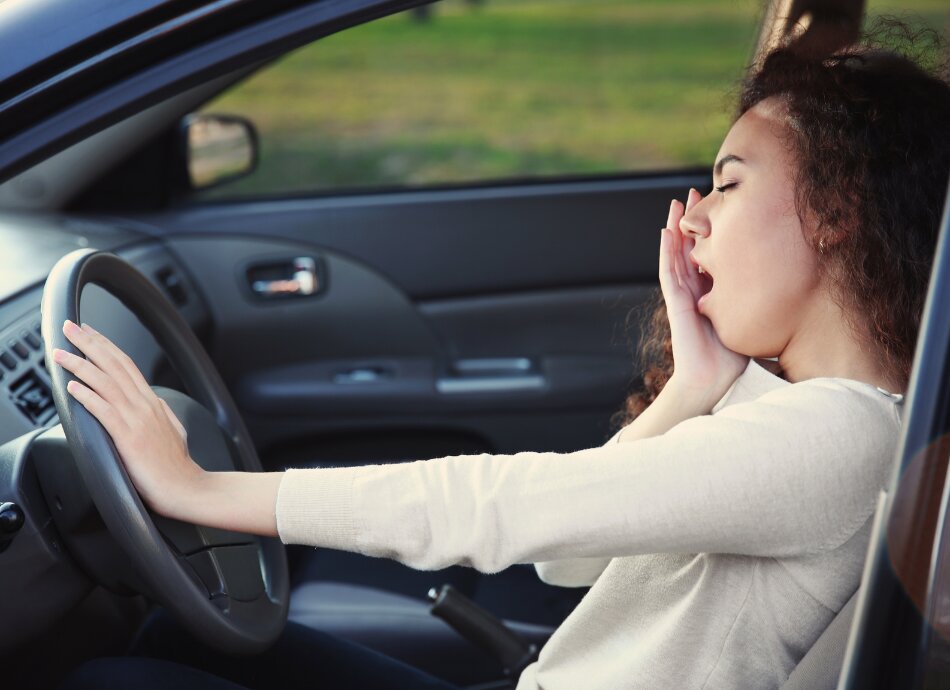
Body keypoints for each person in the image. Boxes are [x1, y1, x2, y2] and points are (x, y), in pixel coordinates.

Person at [57, 21, 950, 690]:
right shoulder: (782, 410)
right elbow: (570, 562)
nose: (695, 216)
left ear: (836, 212)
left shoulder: (836, 435)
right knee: (164, 644)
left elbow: (511, 510)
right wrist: (690, 390)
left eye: (728, 182)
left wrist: (205, 491)